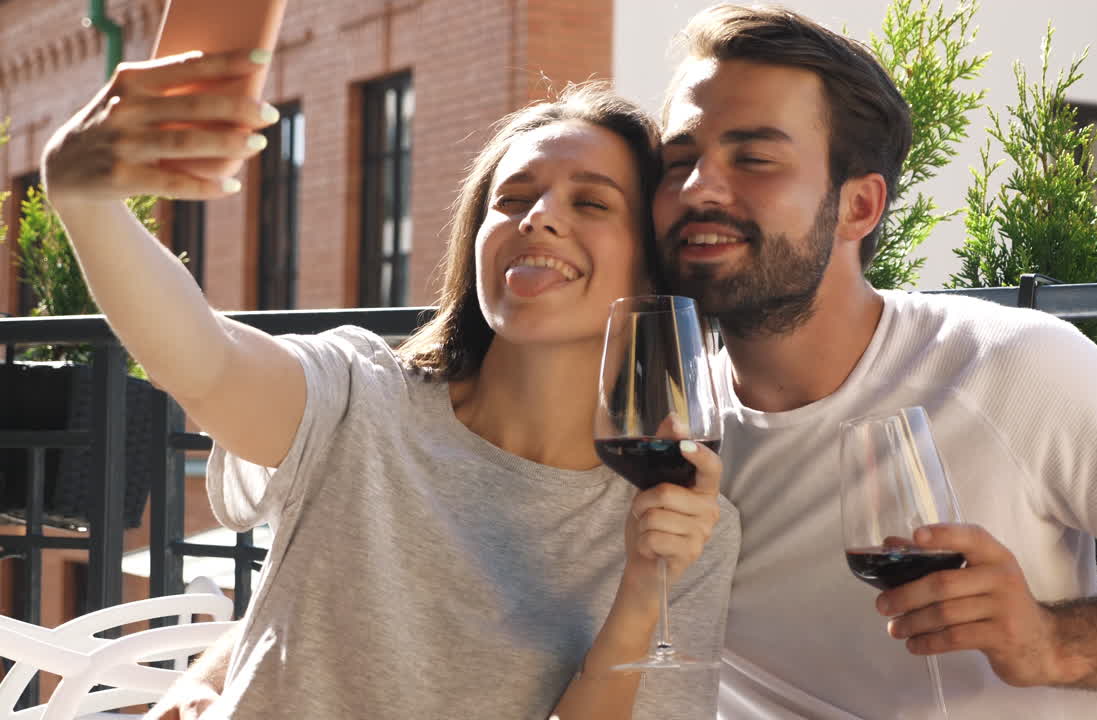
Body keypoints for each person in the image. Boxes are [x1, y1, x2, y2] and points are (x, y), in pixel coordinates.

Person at [41, 50, 738, 720]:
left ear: (649, 268)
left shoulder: (680, 519)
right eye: (513, 198)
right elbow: (207, 359)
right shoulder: (360, 395)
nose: (538, 217)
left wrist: (642, 592)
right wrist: (86, 200)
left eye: (592, 203)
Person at [651, 5, 1097, 719]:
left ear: (859, 206)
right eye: (678, 162)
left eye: (754, 159)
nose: (696, 189)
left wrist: (1053, 642)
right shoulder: (668, 421)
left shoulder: (1009, 368)